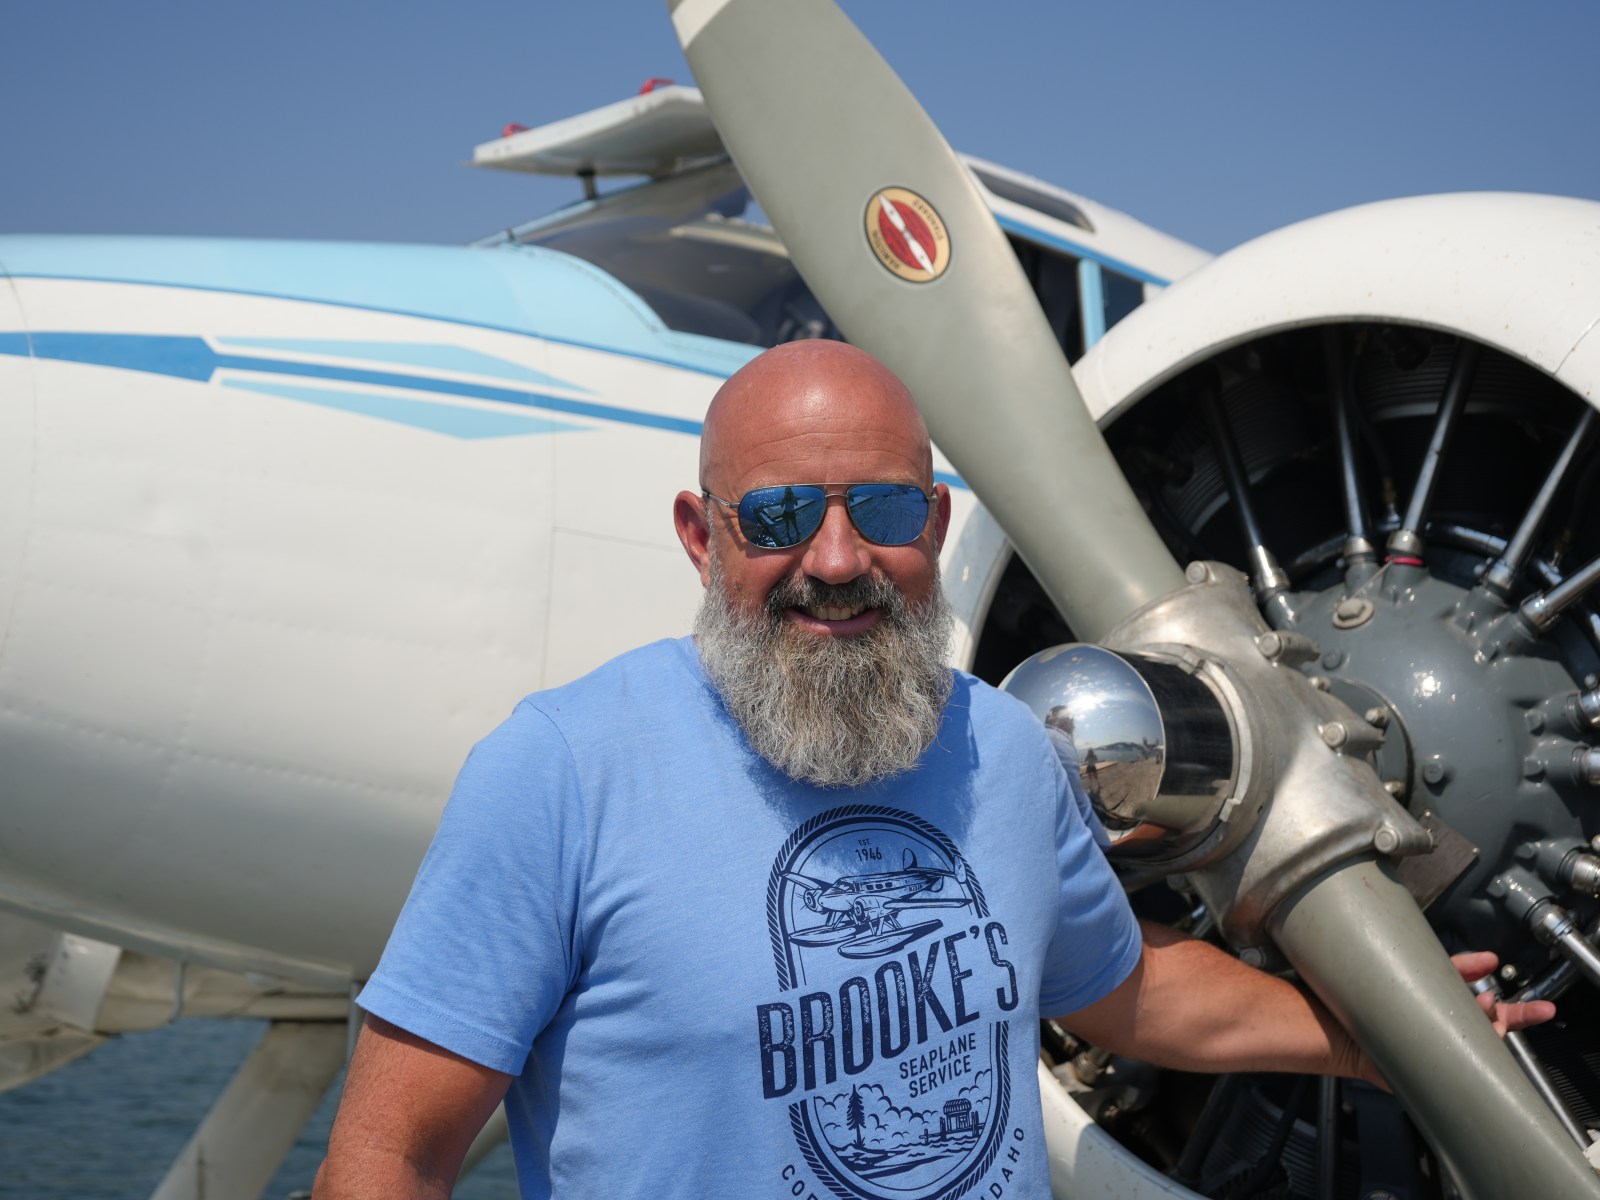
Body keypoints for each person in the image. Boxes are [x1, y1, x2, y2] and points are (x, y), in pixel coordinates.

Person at [313, 341, 1546, 1200]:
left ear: (938, 529)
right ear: (701, 536)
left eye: (886, 514)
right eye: (782, 516)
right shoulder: (561, 771)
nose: (839, 560)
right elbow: (389, 1158)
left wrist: (1376, 1034)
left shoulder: (1003, 751)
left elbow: (1125, 996)